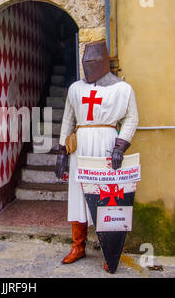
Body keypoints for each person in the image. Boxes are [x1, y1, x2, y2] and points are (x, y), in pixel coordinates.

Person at [54, 40, 138, 271]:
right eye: (86, 61)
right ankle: (78, 246)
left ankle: (109, 249)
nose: (88, 65)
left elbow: (131, 118)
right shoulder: (75, 89)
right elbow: (69, 119)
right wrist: (62, 151)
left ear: (104, 62)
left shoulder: (122, 89)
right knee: (78, 194)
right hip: (81, 146)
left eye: (93, 61)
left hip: (107, 145)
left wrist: (120, 146)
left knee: (108, 195)